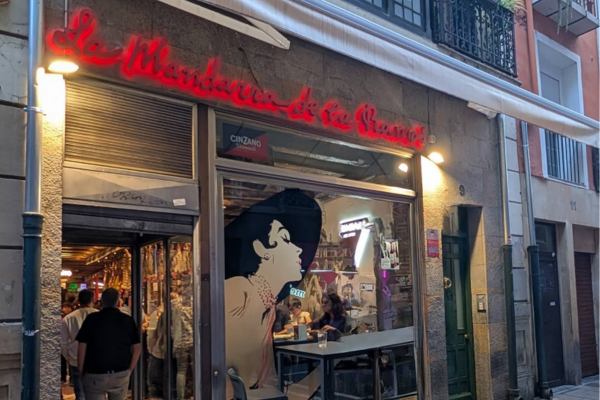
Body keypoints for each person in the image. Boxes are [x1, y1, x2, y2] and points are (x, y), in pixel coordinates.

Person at [224, 189, 321, 393]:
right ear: (262, 249)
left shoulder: (268, 309)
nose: (298, 249)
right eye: (286, 239)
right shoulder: (239, 291)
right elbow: (223, 375)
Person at [76, 288, 142, 400]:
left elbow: (82, 347)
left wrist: (81, 371)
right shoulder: (127, 320)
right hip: (120, 372)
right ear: (118, 302)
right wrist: (129, 370)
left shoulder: (91, 319)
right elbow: (137, 347)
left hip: (94, 374)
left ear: (101, 302)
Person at [61, 289, 98, 400]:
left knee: (80, 393)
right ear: (92, 300)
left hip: (76, 359)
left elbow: (63, 343)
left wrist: (69, 358)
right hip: (97, 359)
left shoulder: (68, 318)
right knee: (97, 392)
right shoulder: (99, 315)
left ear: (78, 301)